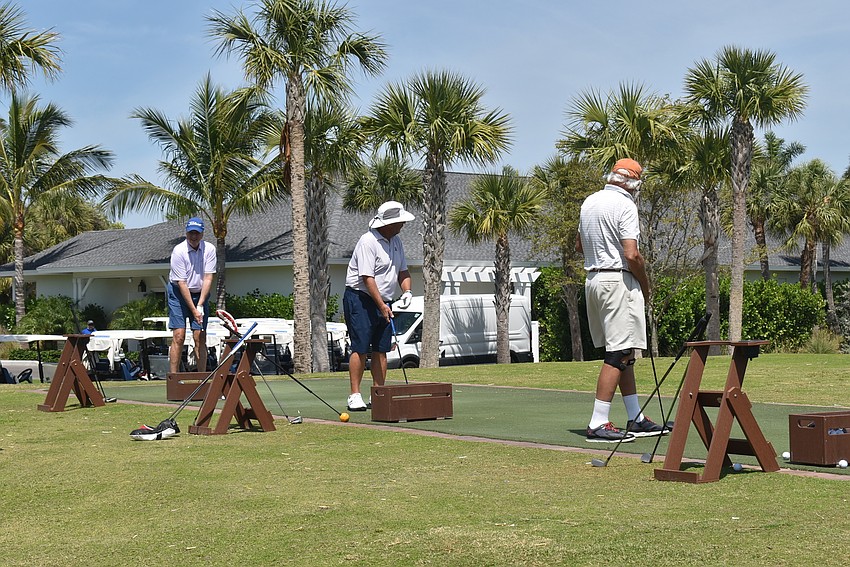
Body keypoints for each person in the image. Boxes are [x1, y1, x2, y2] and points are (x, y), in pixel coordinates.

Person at [576, 158, 664, 443]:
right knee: (618, 354)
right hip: (617, 280)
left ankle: (635, 417)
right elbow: (632, 254)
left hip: (593, 279)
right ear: (634, 184)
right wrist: (645, 284)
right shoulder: (626, 204)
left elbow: (578, 245)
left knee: (624, 352)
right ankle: (598, 422)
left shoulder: (590, 201)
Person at [343, 201, 414, 411]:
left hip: (384, 299)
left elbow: (403, 271)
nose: (402, 225)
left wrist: (407, 291)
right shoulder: (368, 241)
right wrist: (381, 305)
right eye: (399, 222)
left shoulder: (396, 241)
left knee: (381, 349)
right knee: (361, 347)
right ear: (387, 223)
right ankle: (355, 395)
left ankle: (378, 392)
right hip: (360, 299)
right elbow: (368, 278)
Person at [167, 217, 216, 374]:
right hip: (178, 294)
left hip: (200, 294)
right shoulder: (178, 251)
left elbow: (208, 278)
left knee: (199, 336)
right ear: (186, 233)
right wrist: (194, 311)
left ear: (202, 234)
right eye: (190, 233)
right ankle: (173, 379)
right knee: (179, 335)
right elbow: (182, 283)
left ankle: (202, 377)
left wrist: (200, 305)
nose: (193, 236)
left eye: (196, 233)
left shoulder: (209, 249)